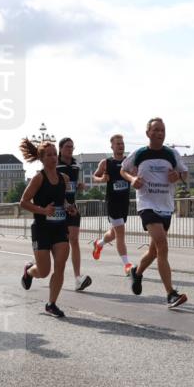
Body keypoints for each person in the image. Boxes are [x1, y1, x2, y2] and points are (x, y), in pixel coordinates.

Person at [122, 117, 188, 309]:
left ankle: (137, 272)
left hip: (165, 205)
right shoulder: (140, 153)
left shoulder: (172, 153)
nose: (160, 133)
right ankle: (170, 294)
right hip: (147, 204)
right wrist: (132, 179)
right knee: (162, 245)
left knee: (153, 251)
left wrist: (178, 176)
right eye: (156, 130)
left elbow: (184, 173)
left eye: (162, 130)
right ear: (147, 133)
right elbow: (123, 170)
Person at [18, 138, 74, 318]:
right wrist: (43, 210)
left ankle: (51, 304)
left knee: (60, 266)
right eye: (48, 155)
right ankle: (29, 271)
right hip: (42, 228)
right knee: (43, 271)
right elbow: (23, 202)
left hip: (59, 228)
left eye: (54, 154)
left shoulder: (63, 178)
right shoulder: (38, 178)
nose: (53, 158)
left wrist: (68, 207)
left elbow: (61, 200)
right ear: (41, 158)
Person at [92, 133, 134, 275]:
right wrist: (102, 178)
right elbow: (95, 177)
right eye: (118, 143)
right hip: (112, 203)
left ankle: (99, 244)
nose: (121, 146)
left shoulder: (128, 162)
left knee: (114, 234)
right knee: (121, 232)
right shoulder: (106, 163)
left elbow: (135, 174)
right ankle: (127, 264)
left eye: (122, 143)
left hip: (124, 203)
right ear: (112, 146)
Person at [55, 137, 91, 291]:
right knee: (57, 245)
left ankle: (77, 278)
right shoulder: (55, 165)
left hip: (72, 208)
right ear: (61, 149)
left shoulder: (76, 165)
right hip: (56, 210)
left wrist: (79, 186)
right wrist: (64, 204)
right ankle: (36, 270)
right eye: (67, 147)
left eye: (72, 147)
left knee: (74, 240)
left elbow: (72, 187)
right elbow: (53, 189)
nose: (70, 149)